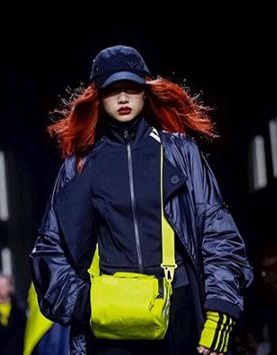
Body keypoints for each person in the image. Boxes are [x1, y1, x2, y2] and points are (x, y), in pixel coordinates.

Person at [30, 44, 253, 355]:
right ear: (98, 96)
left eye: (131, 88)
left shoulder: (180, 153)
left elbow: (217, 230)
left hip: (180, 313)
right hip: (111, 318)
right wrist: (83, 302)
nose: (123, 98)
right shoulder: (81, 164)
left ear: (146, 91)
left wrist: (220, 310)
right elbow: (49, 247)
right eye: (112, 90)